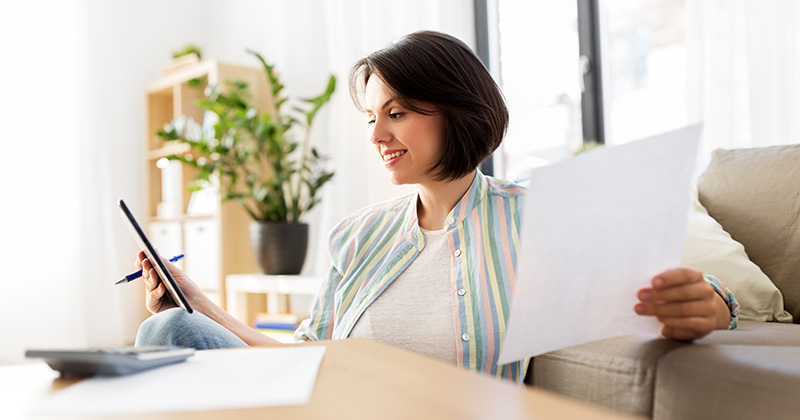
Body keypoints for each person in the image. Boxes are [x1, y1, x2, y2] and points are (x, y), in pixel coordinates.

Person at [135, 30, 739, 383]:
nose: (377, 136)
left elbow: (668, 288)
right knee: (170, 327)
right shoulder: (357, 236)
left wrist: (706, 302)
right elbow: (303, 360)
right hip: (334, 408)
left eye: (397, 113)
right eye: (372, 117)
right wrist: (200, 302)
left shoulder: (532, 217)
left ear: (458, 109)